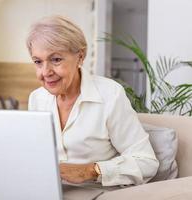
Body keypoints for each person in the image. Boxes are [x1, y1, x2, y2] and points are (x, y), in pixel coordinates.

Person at [26, 15, 159, 192]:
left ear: (80, 57)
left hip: (94, 193)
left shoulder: (110, 95)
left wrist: (90, 170)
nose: (45, 72)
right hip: (47, 191)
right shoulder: (37, 98)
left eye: (56, 59)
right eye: (38, 62)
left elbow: (146, 162)